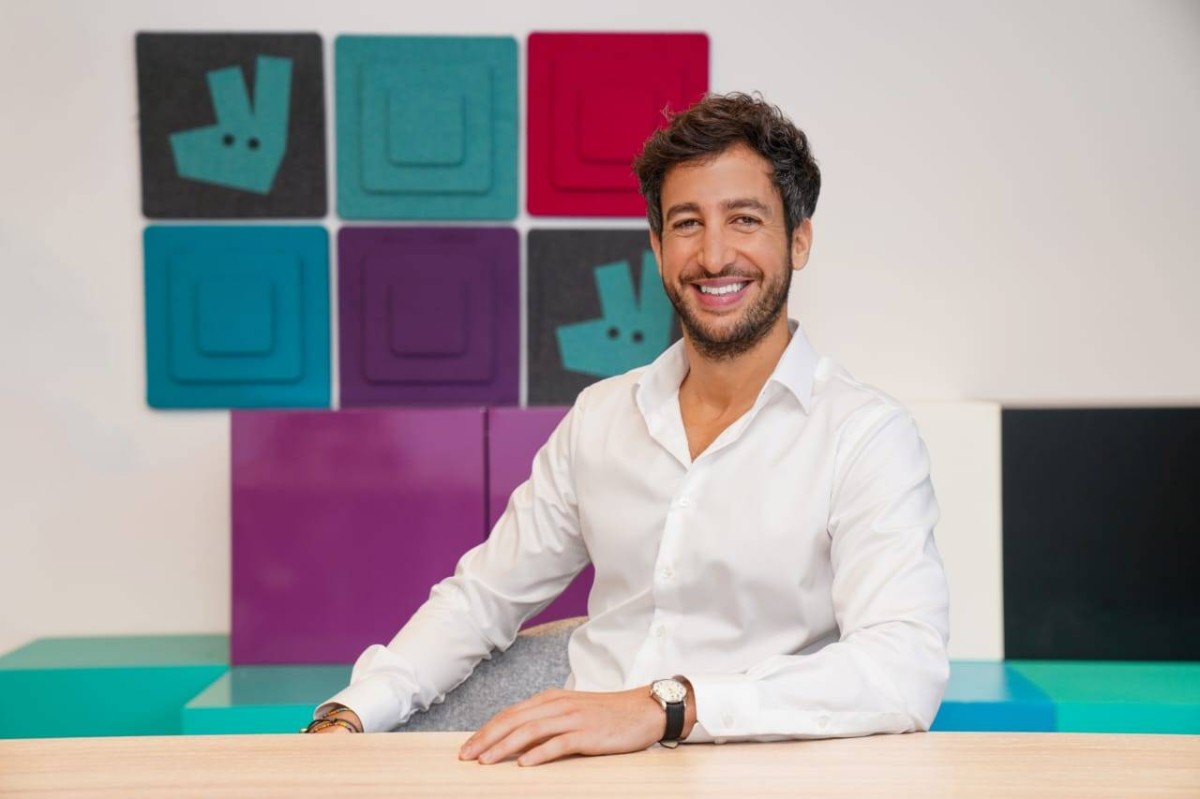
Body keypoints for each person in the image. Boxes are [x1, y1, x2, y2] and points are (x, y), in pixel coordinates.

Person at [303, 92, 951, 767]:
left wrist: (668, 705)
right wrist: (350, 714)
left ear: (799, 240)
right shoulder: (601, 417)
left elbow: (902, 666)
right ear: (658, 246)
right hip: (576, 775)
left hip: (758, 775)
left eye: (745, 219)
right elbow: (481, 601)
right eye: (687, 223)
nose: (714, 255)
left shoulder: (865, 436)